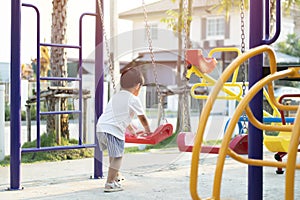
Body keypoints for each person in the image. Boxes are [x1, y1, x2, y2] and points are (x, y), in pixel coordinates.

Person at [96, 68, 151, 192]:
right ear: (138, 86)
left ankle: (115, 177)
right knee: (118, 157)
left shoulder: (116, 97)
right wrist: (148, 130)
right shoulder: (133, 99)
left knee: (113, 154)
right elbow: (142, 118)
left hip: (101, 127)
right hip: (112, 130)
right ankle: (110, 183)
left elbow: (121, 117)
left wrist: (132, 130)